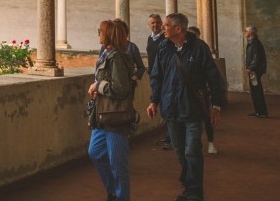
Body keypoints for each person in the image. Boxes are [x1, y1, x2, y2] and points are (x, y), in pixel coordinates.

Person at [147, 13, 225, 201]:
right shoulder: (164, 47)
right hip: (171, 108)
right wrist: (154, 101)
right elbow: (157, 76)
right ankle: (189, 180)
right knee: (180, 150)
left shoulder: (199, 48)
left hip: (192, 109)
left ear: (178, 29)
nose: (162, 28)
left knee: (192, 150)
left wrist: (216, 105)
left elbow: (214, 78)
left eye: (166, 25)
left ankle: (194, 192)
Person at [88, 20, 136, 201]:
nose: (98, 34)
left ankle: (120, 196)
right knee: (95, 152)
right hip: (102, 114)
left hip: (115, 117)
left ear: (108, 35)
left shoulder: (118, 58)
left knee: (118, 164)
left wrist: (97, 85)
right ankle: (113, 191)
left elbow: (121, 88)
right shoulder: (107, 54)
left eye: (100, 31)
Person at [188, 27, 217, 154]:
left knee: (206, 115)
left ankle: (210, 142)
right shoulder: (183, 49)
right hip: (188, 91)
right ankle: (194, 144)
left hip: (201, 90)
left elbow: (210, 71)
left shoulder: (202, 48)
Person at [146, 13, 172, 149]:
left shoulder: (165, 39)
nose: (155, 25)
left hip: (164, 77)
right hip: (155, 77)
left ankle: (171, 138)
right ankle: (169, 136)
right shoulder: (150, 39)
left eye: (157, 22)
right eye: (152, 23)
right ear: (149, 24)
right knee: (163, 107)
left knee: (167, 107)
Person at [245, 26, 268, 118]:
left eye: (246, 31)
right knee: (255, 91)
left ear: (251, 33)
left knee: (256, 91)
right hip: (254, 71)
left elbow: (256, 57)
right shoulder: (252, 43)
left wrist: (250, 68)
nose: (245, 32)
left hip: (254, 71)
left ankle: (261, 112)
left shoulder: (254, 43)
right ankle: (259, 111)